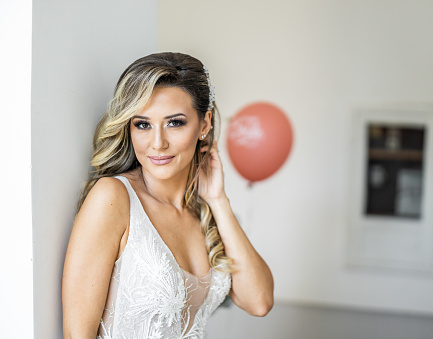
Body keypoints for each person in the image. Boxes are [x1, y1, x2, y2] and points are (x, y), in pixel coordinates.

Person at [62, 52, 274, 338]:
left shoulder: (203, 212)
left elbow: (259, 302)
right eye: (143, 124)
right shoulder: (113, 198)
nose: (158, 143)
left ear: (204, 124)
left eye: (174, 123)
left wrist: (218, 201)